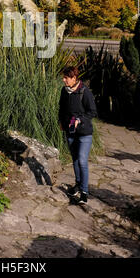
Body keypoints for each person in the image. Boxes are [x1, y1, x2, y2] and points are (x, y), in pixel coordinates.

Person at [58, 66, 97, 204]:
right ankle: (78, 185)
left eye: (66, 78)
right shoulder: (65, 91)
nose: (64, 80)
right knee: (74, 159)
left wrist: (80, 120)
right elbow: (61, 107)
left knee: (81, 160)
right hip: (70, 131)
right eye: (64, 77)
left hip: (84, 133)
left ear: (74, 78)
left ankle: (84, 192)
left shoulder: (84, 92)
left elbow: (92, 112)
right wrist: (61, 122)